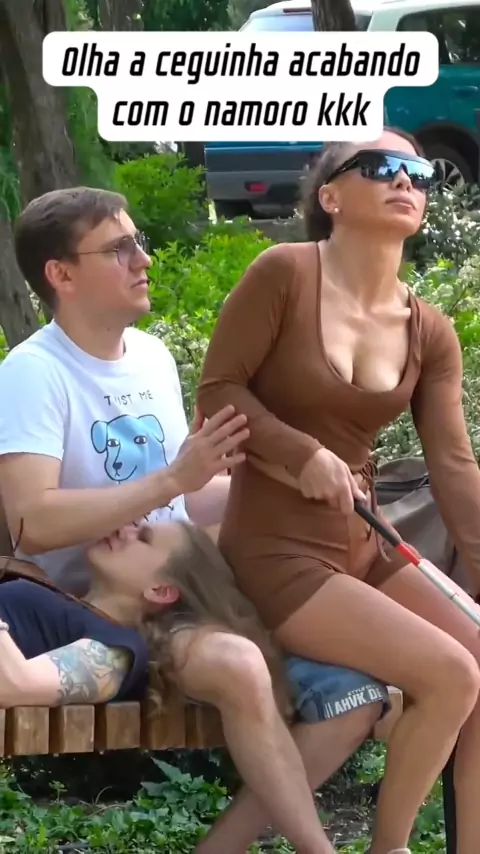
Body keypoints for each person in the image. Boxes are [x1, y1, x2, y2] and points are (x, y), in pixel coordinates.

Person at [0, 186, 388, 854]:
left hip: (180, 593)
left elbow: (181, 498)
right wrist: (174, 479)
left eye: (138, 241)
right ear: (61, 274)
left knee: (355, 694)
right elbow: (31, 523)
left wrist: (292, 485)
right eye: (118, 249)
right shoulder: (34, 373)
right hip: (97, 614)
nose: (142, 259)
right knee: (239, 663)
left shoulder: (151, 357)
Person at [196, 127, 480, 854]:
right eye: (381, 166)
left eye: (418, 171)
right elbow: (218, 390)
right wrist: (301, 453)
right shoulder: (284, 274)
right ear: (331, 197)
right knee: (451, 674)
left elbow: (453, 465)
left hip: (364, 544)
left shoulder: (429, 330)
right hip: (276, 550)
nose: (405, 180)